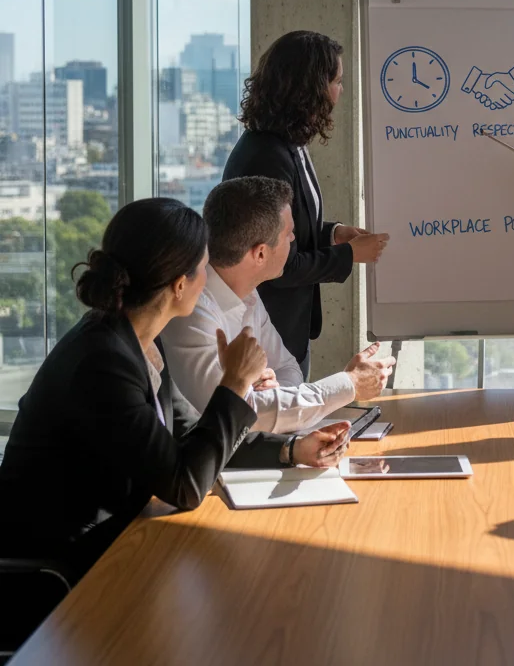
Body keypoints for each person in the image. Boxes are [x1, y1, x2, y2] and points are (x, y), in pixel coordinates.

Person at [0, 198, 353, 581]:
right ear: (180, 285)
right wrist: (235, 383)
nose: (208, 280)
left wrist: (291, 449)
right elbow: (184, 485)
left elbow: (190, 439)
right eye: (204, 268)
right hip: (58, 569)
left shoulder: (136, 340)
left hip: (115, 542)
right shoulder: (102, 362)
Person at [163, 177, 395, 433]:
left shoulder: (248, 293)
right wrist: (349, 383)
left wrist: (272, 393)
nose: (294, 239)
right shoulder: (192, 311)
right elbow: (242, 417)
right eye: (288, 234)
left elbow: (287, 368)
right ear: (260, 253)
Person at [223, 30, 390, 375]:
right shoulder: (267, 156)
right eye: (337, 81)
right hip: (268, 336)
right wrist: (350, 255)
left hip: (288, 330)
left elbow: (290, 230)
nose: (340, 91)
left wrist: (333, 234)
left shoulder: (289, 145)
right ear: (312, 89)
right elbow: (275, 263)